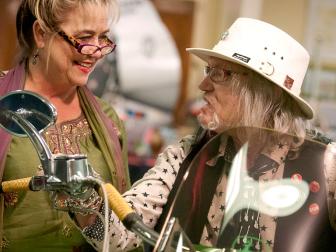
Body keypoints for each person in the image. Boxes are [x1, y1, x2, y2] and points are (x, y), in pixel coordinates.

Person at [75, 17, 336, 251]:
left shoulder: (327, 165)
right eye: (208, 70)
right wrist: (83, 200)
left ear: (265, 91)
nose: (203, 85)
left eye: (220, 73)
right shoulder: (186, 155)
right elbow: (119, 236)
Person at [0, 0, 132, 251]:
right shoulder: (2, 103)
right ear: (41, 34)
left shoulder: (107, 119)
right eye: (84, 37)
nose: (96, 51)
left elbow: (122, 227)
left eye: (103, 38)